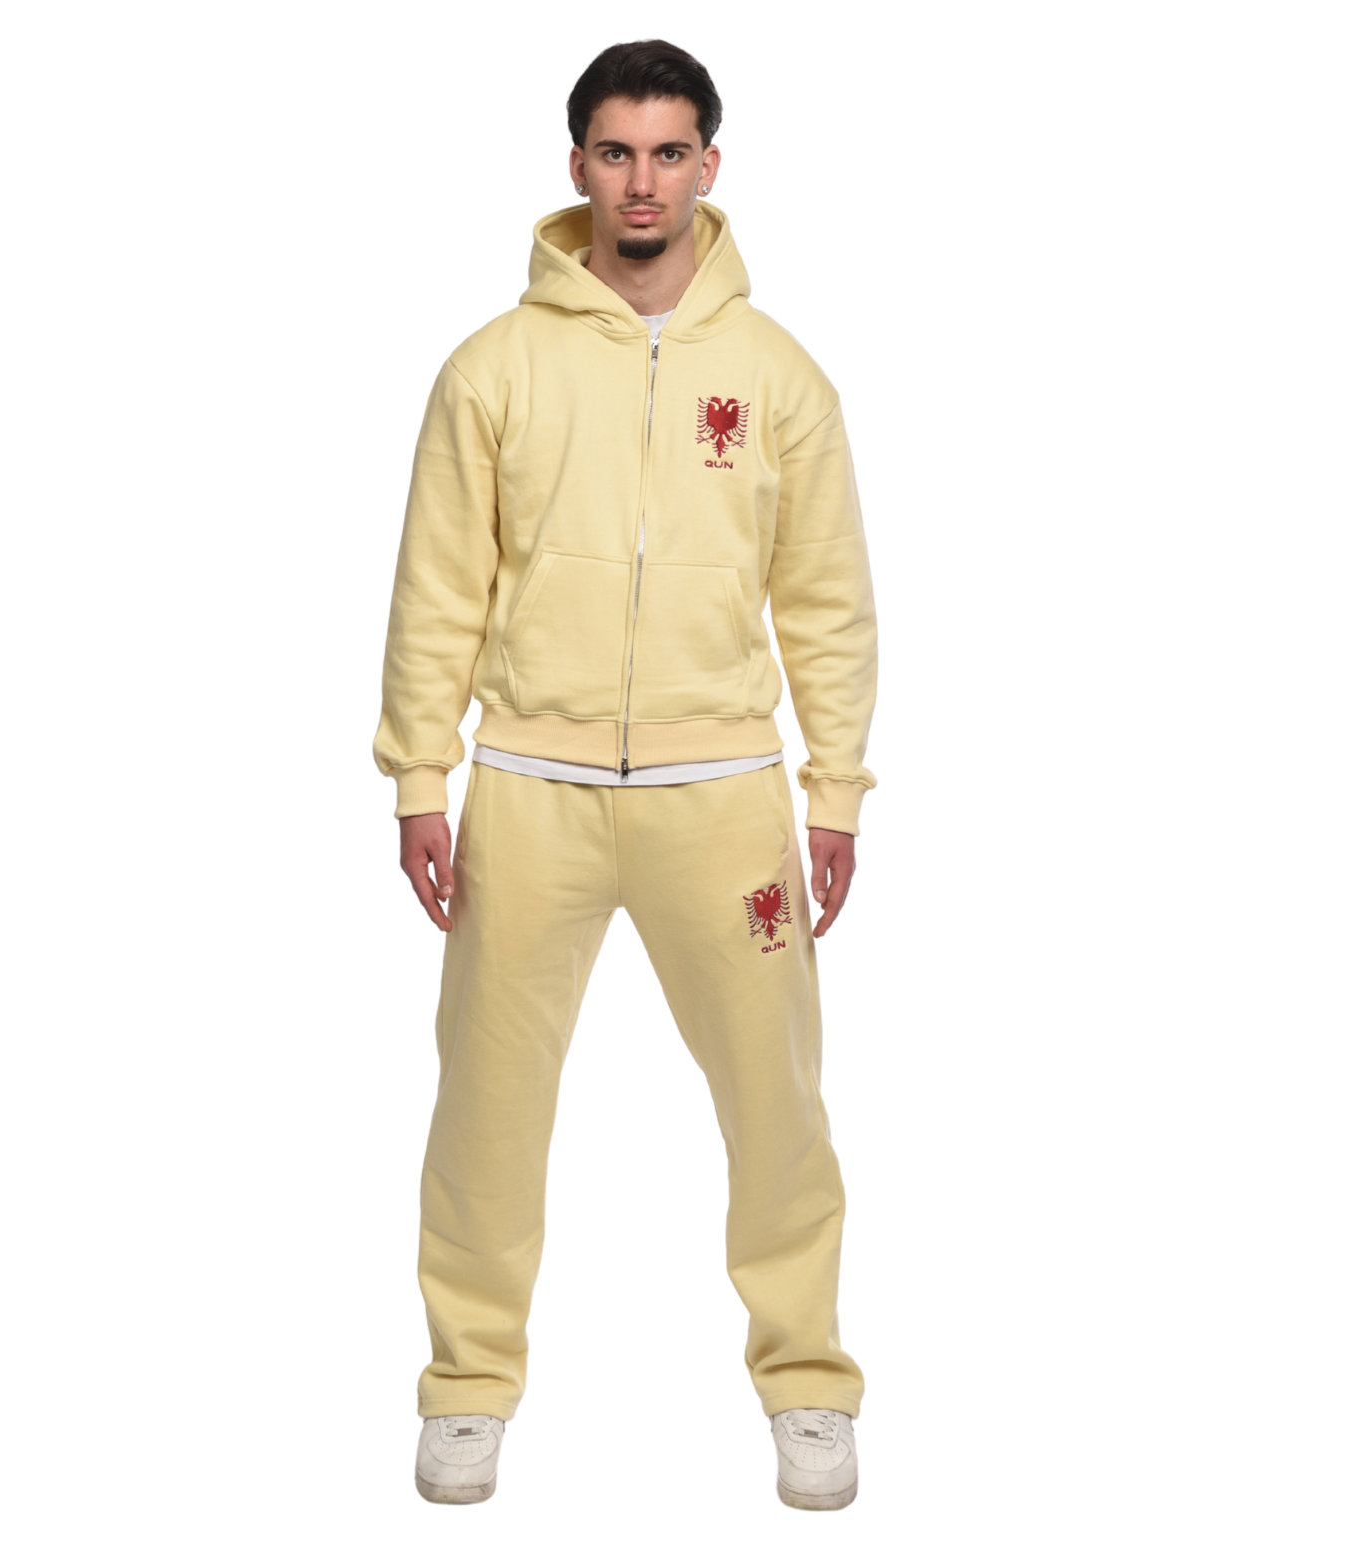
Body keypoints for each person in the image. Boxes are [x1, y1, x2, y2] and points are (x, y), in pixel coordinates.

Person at [373, 39, 879, 1511]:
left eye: (668, 153)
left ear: (709, 165)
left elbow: (827, 602)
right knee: (485, 1108)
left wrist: (833, 790)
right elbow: (436, 590)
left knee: (777, 1106)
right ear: (577, 166)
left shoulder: (778, 376)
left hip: (722, 794)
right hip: (530, 787)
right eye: (615, 152)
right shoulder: (492, 369)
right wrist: (420, 776)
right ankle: (468, 1387)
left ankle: (806, 1380)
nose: (641, 182)